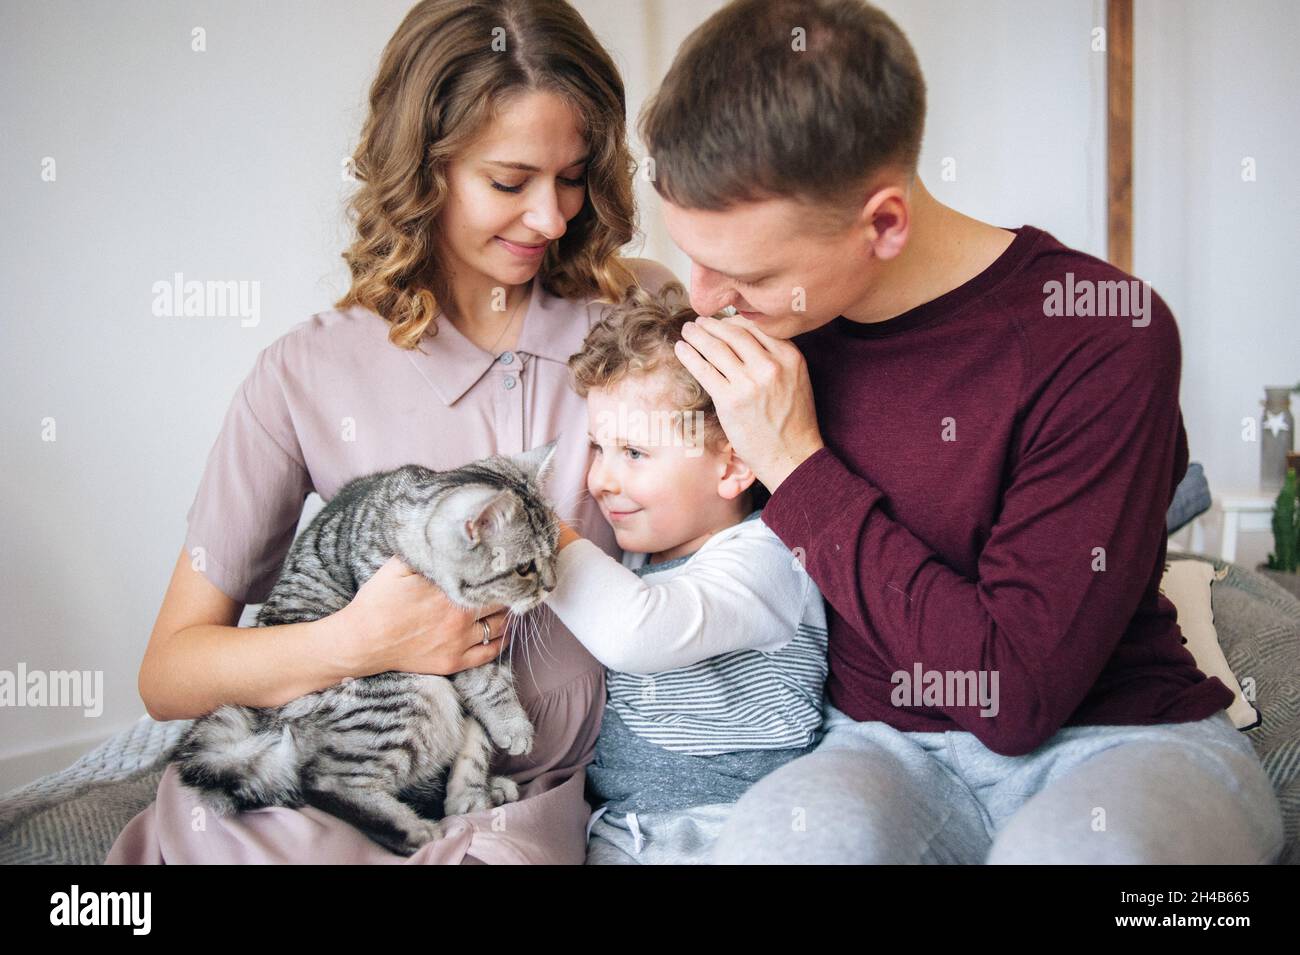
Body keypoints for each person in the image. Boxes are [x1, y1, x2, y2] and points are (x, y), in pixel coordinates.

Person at [637, 0, 1285, 863]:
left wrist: (798, 466)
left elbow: (1014, 694)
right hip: (879, 749)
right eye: (693, 255)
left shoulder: (1101, 335)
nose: (708, 297)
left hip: (1122, 737)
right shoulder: (768, 331)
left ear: (883, 223)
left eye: (747, 271)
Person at [107, 0, 677, 865]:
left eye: (572, 176)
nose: (553, 218)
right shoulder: (305, 373)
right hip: (310, 780)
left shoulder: (633, 319)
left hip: (500, 807)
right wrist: (357, 643)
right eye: (510, 181)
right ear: (424, 169)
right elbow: (170, 672)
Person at [537, 282, 828, 864]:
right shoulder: (645, 553)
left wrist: (538, 534)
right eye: (598, 448)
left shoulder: (768, 557)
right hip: (625, 830)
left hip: (740, 826)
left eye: (635, 454)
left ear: (734, 465)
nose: (601, 480)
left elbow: (636, 633)